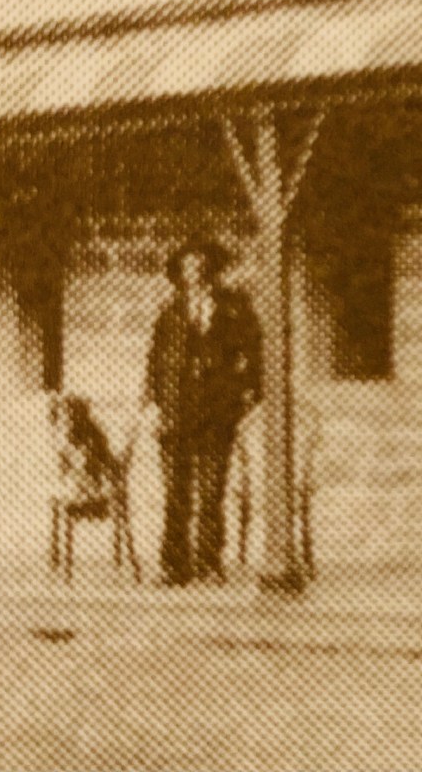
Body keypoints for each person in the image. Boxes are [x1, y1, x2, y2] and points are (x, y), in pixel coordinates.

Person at [143, 238, 263, 586]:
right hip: (176, 412)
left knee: (212, 491)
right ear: (180, 273)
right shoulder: (170, 313)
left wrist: (244, 399)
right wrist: (155, 407)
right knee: (176, 492)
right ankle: (174, 565)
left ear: (213, 269)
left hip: (215, 411)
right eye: (188, 266)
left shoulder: (234, 309)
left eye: (200, 265)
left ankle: (209, 563)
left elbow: (255, 355)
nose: (194, 272)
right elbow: (155, 364)